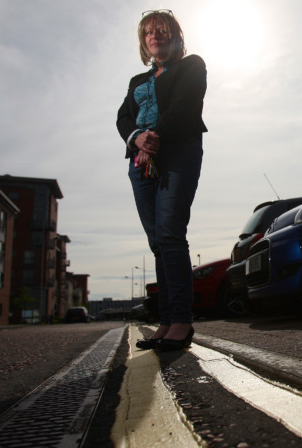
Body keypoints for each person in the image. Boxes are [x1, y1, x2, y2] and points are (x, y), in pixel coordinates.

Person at [116, 10, 207, 351]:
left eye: (163, 30)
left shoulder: (192, 66)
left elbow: (184, 107)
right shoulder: (136, 82)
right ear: (144, 41)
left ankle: (182, 321)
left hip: (177, 153)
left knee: (170, 232)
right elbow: (123, 117)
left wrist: (153, 140)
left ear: (175, 35)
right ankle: (166, 321)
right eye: (150, 32)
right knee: (158, 241)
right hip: (139, 161)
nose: (156, 36)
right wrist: (137, 137)